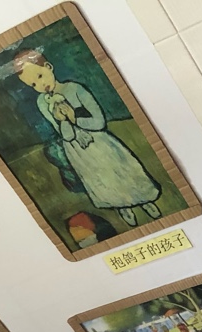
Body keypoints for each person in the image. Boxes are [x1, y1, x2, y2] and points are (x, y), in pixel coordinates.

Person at [13, 50, 162, 229]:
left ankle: (144, 200)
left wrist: (74, 118)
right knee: (100, 179)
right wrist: (62, 120)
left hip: (99, 141)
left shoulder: (74, 89)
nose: (40, 84)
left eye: (40, 76)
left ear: (48, 67)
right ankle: (121, 206)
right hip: (77, 150)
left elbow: (99, 122)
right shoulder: (43, 103)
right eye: (33, 84)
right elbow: (66, 135)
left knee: (121, 170)